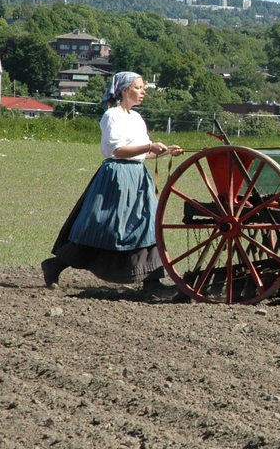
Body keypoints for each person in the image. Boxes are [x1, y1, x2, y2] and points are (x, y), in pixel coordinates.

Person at [42, 72, 183, 298]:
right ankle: (55, 265)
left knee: (148, 225)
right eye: (139, 87)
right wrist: (149, 147)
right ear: (125, 90)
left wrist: (165, 151)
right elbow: (118, 151)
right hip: (116, 177)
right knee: (104, 228)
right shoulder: (111, 116)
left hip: (138, 177)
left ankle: (152, 281)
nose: (143, 91)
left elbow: (141, 155)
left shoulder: (136, 118)